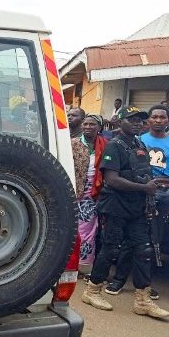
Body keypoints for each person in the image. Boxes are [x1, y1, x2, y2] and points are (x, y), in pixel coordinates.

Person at [80, 106, 169, 318]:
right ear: (120, 123)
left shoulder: (139, 144)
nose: (138, 123)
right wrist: (143, 188)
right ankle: (92, 290)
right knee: (110, 249)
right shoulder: (114, 146)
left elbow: (142, 173)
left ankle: (142, 299)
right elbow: (112, 180)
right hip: (115, 207)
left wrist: (151, 186)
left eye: (140, 120)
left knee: (144, 250)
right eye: (132, 120)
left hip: (137, 208)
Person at [105, 105, 169, 296]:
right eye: (154, 117)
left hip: (162, 196)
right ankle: (119, 280)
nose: (158, 120)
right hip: (137, 195)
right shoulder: (139, 141)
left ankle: (146, 285)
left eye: (162, 117)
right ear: (149, 121)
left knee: (152, 243)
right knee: (129, 241)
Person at [71, 114, 107, 278]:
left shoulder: (106, 145)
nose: (87, 127)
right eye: (85, 124)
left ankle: (84, 265)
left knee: (89, 230)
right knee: (73, 229)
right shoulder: (74, 144)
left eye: (92, 124)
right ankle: (70, 263)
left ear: (99, 127)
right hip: (75, 191)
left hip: (93, 194)